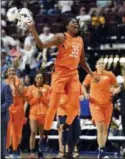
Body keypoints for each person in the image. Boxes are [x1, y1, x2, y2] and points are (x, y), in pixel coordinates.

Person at [26, 16, 98, 152]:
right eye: (72, 22)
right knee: (53, 105)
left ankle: (64, 127)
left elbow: (82, 61)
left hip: (73, 74)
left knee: (74, 106)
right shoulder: (61, 37)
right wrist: (33, 28)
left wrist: (92, 74)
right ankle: (44, 136)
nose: (76, 24)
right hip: (59, 73)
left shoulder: (80, 40)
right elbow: (41, 45)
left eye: (76, 22)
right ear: (67, 27)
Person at [82, 58, 120, 159]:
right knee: (100, 127)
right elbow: (83, 85)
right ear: (96, 66)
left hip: (108, 105)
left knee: (106, 129)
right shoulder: (91, 75)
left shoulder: (110, 75)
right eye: (99, 63)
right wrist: (85, 93)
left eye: (103, 63)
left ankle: (102, 149)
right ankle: (102, 150)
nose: (101, 65)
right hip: (95, 105)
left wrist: (115, 90)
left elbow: (118, 87)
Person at [27, 72, 51, 158]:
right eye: (38, 78)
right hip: (33, 114)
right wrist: (38, 96)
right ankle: (32, 151)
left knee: (42, 134)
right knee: (33, 132)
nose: (40, 79)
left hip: (44, 114)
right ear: (35, 79)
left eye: (41, 78)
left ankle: (41, 151)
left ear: (43, 79)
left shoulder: (48, 88)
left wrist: (42, 97)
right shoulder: (30, 88)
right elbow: (30, 102)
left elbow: (49, 101)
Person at [56, 84, 83, 158]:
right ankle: (62, 152)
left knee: (73, 134)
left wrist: (81, 97)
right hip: (62, 112)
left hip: (73, 112)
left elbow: (81, 96)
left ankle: (73, 151)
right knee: (62, 132)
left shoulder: (77, 84)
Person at [5, 66, 26, 158]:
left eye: (13, 70)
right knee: (8, 130)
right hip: (8, 108)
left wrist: (14, 85)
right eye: (10, 70)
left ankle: (16, 149)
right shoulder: (4, 82)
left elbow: (21, 94)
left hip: (18, 108)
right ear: (7, 73)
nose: (12, 72)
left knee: (17, 130)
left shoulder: (20, 81)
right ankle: (8, 149)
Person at [1, 81, 13, 159]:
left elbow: (9, 101)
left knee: (2, 137)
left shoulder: (5, 86)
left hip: (2, 116)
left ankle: (2, 155)